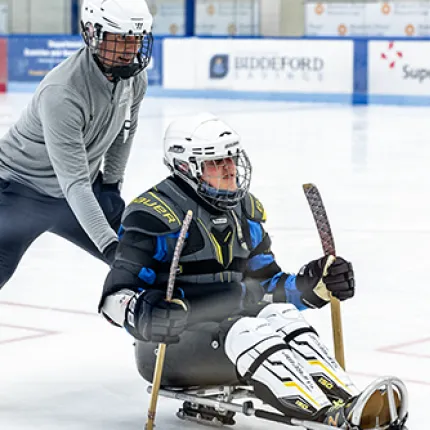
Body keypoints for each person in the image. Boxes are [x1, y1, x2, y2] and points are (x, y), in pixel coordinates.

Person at [99, 113, 407, 429]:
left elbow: (266, 287)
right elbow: (113, 298)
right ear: (185, 168)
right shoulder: (154, 216)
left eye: (231, 158)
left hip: (230, 340)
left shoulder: (245, 211)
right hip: (169, 350)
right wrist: (146, 313)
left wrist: (313, 286)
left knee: (283, 317)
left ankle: (351, 403)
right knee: (248, 330)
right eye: (216, 162)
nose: (230, 168)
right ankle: (328, 417)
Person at [0, 0, 153, 289]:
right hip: (19, 191)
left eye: (136, 38)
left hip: (79, 191)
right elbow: (74, 182)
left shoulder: (134, 77)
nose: (131, 49)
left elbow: (125, 132)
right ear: (93, 34)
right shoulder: (62, 92)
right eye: (121, 39)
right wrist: (110, 248)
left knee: (144, 262)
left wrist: (110, 185)